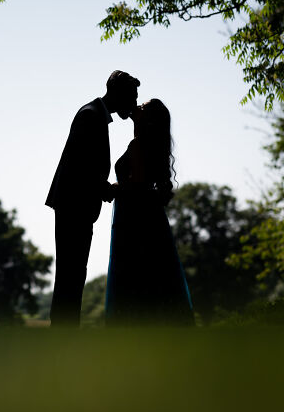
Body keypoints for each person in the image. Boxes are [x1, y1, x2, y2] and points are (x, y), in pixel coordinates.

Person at [46, 71, 140, 327]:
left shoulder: (95, 114)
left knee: (74, 272)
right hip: (73, 205)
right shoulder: (91, 116)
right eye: (131, 97)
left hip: (75, 204)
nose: (132, 104)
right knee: (71, 273)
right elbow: (82, 167)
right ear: (117, 93)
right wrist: (107, 189)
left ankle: (65, 331)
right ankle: (64, 331)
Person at [104, 99, 193, 325]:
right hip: (145, 215)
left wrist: (114, 188)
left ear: (149, 120)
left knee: (136, 270)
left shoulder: (139, 145)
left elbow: (138, 185)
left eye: (142, 107)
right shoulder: (148, 145)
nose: (137, 107)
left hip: (135, 218)